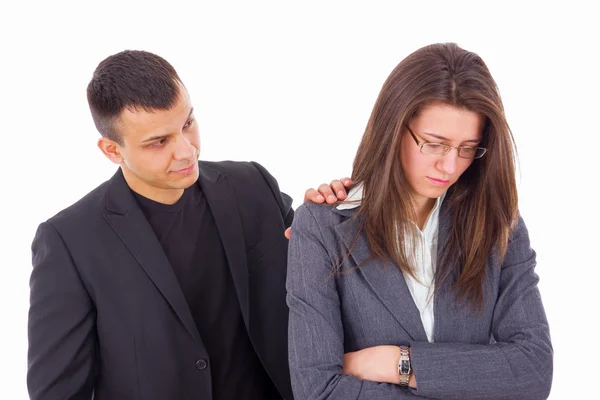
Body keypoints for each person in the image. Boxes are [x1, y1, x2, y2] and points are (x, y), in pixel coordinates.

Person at [27, 49, 348, 400]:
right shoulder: (69, 241)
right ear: (112, 151)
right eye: (159, 141)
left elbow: (323, 296)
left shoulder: (254, 185)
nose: (186, 151)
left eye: (187, 124)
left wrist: (333, 217)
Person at [286, 42, 553, 399]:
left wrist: (400, 364)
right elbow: (318, 389)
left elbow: (533, 370)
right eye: (434, 144)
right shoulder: (321, 227)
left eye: (467, 148)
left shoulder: (498, 225)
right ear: (394, 129)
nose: (450, 166)